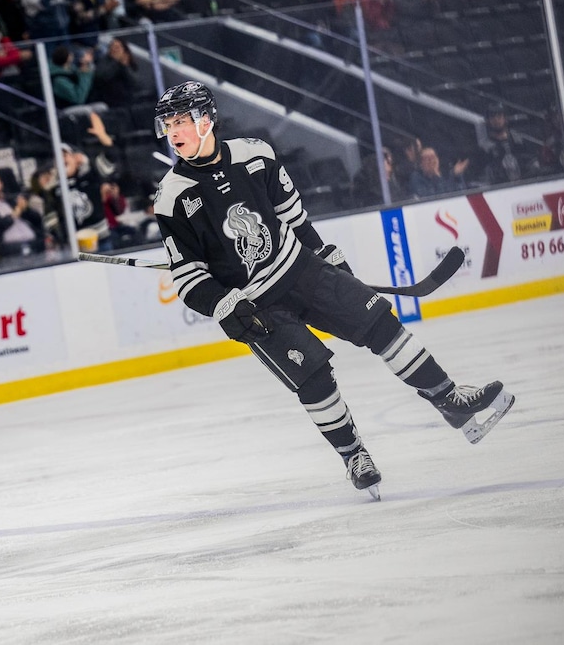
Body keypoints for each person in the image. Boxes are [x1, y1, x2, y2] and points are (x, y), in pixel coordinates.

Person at [149, 81, 515, 499]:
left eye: (181, 121)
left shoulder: (256, 154)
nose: (173, 133)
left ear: (206, 119)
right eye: (168, 124)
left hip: (301, 268)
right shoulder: (172, 198)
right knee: (314, 377)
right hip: (256, 302)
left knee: (380, 324)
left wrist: (323, 252)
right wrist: (224, 304)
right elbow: (189, 277)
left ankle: (449, 397)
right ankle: (354, 455)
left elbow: (293, 215)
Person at [0, 169, 45, 262]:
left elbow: (37, 219)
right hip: (9, 251)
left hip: (34, 244)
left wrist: (26, 209)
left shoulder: (12, 199)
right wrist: (16, 212)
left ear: (1, 184)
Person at [477, 104, 536, 185]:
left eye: (499, 116)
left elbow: (532, 163)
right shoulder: (485, 148)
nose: (496, 120)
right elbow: (484, 176)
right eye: (492, 117)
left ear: (505, 118)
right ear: (488, 121)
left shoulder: (519, 141)